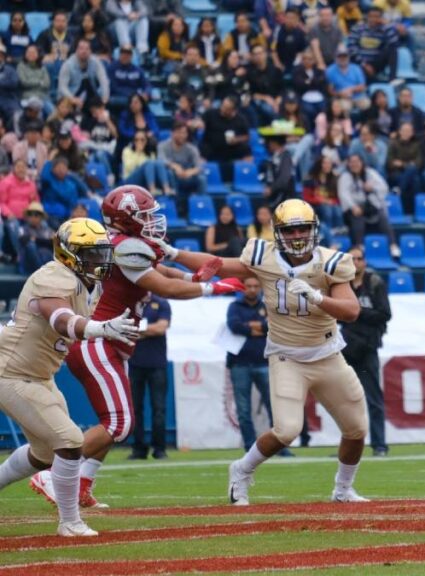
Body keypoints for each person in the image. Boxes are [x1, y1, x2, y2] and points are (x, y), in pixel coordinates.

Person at [30, 186, 243, 509]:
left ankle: (82, 484)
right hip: (98, 339)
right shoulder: (125, 246)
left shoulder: (132, 245)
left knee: (118, 424)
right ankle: (55, 473)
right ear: (125, 219)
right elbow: (165, 287)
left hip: (113, 342)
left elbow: (167, 272)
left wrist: (200, 279)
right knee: (119, 422)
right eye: (145, 215)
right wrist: (209, 289)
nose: (154, 220)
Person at [169, 199, 372, 506]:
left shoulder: (331, 262)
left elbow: (352, 311)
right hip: (286, 356)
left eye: (303, 228)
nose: (298, 235)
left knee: (356, 429)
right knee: (287, 430)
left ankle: (343, 489)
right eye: (290, 230)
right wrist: (173, 254)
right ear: (277, 233)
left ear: (315, 229)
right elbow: (216, 264)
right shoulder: (263, 256)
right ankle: (241, 469)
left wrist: (318, 297)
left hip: (327, 354)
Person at [0, 218, 138, 537]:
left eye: (101, 253)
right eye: (90, 253)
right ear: (68, 253)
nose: (99, 261)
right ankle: (70, 521)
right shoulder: (54, 276)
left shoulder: (80, 282)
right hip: (13, 374)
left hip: (39, 375)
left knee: (45, 454)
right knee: (71, 440)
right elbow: (61, 318)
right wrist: (99, 329)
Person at [341, 246, 391, 456]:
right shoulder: (342, 285)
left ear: (365, 262)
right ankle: (348, 447)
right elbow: (336, 315)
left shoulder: (374, 283)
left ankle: (379, 444)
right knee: (344, 401)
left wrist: (357, 312)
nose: (356, 262)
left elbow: (385, 314)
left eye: (359, 258)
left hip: (368, 347)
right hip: (347, 347)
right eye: (351, 259)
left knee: (373, 399)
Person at [227, 277, 273, 452]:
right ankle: (251, 447)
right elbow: (234, 326)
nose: (252, 289)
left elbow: (273, 326)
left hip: (265, 361)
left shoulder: (267, 305)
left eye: (256, 286)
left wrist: (252, 327)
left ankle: (279, 446)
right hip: (240, 363)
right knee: (243, 410)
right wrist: (261, 327)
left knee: (274, 407)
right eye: (249, 286)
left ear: (260, 287)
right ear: (242, 288)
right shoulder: (234, 306)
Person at [127, 295, 171, 460]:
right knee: (135, 409)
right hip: (134, 363)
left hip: (157, 364)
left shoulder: (161, 303)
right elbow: (123, 329)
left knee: (159, 409)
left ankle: (159, 449)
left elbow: (161, 328)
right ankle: (138, 449)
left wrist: (138, 331)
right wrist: (148, 331)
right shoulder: (131, 302)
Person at [339, 153, 399, 255]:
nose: (354, 165)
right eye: (352, 162)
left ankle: (393, 245)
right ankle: (359, 246)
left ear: (362, 163)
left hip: (370, 207)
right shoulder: (345, 177)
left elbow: (384, 188)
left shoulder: (370, 173)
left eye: (357, 162)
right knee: (357, 216)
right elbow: (343, 194)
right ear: (348, 164)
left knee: (382, 215)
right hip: (353, 208)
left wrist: (372, 188)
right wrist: (353, 207)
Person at [158, 121, 206, 201]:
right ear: (172, 133)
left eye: (184, 133)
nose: (182, 136)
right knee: (170, 173)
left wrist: (190, 172)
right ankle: (175, 204)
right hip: (171, 177)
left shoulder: (191, 148)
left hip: (187, 176)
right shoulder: (162, 145)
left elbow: (199, 166)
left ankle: (201, 204)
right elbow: (161, 160)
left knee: (202, 179)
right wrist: (174, 166)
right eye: (179, 132)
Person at [347, 7, 398, 82]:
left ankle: (392, 79)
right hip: (360, 62)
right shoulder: (357, 28)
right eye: (371, 16)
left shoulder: (384, 29)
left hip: (376, 62)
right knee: (352, 56)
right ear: (367, 17)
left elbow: (394, 43)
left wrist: (388, 26)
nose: (373, 19)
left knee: (392, 50)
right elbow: (351, 48)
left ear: (381, 18)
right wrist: (364, 64)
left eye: (376, 17)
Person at [58, 39, 110, 109]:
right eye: (81, 48)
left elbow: (104, 80)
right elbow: (62, 87)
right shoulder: (68, 65)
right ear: (76, 50)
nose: (84, 51)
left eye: (87, 49)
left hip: (90, 95)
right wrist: (73, 99)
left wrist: (105, 97)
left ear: (91, 51)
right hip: (71, 96)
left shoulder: (96, 62)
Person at [16, 202, 56, 275]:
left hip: (45, 261)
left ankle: (42, 272)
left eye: (36, 215)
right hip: (28, 265)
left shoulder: (48, 230)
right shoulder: (22, 229)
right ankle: (41, 272)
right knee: (31, 246)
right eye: (30, 215)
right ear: (27, 217)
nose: (33, 217)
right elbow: (24, 240)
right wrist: (43, 242)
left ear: (41, 217)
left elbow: (54, 242)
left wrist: (36, 240)